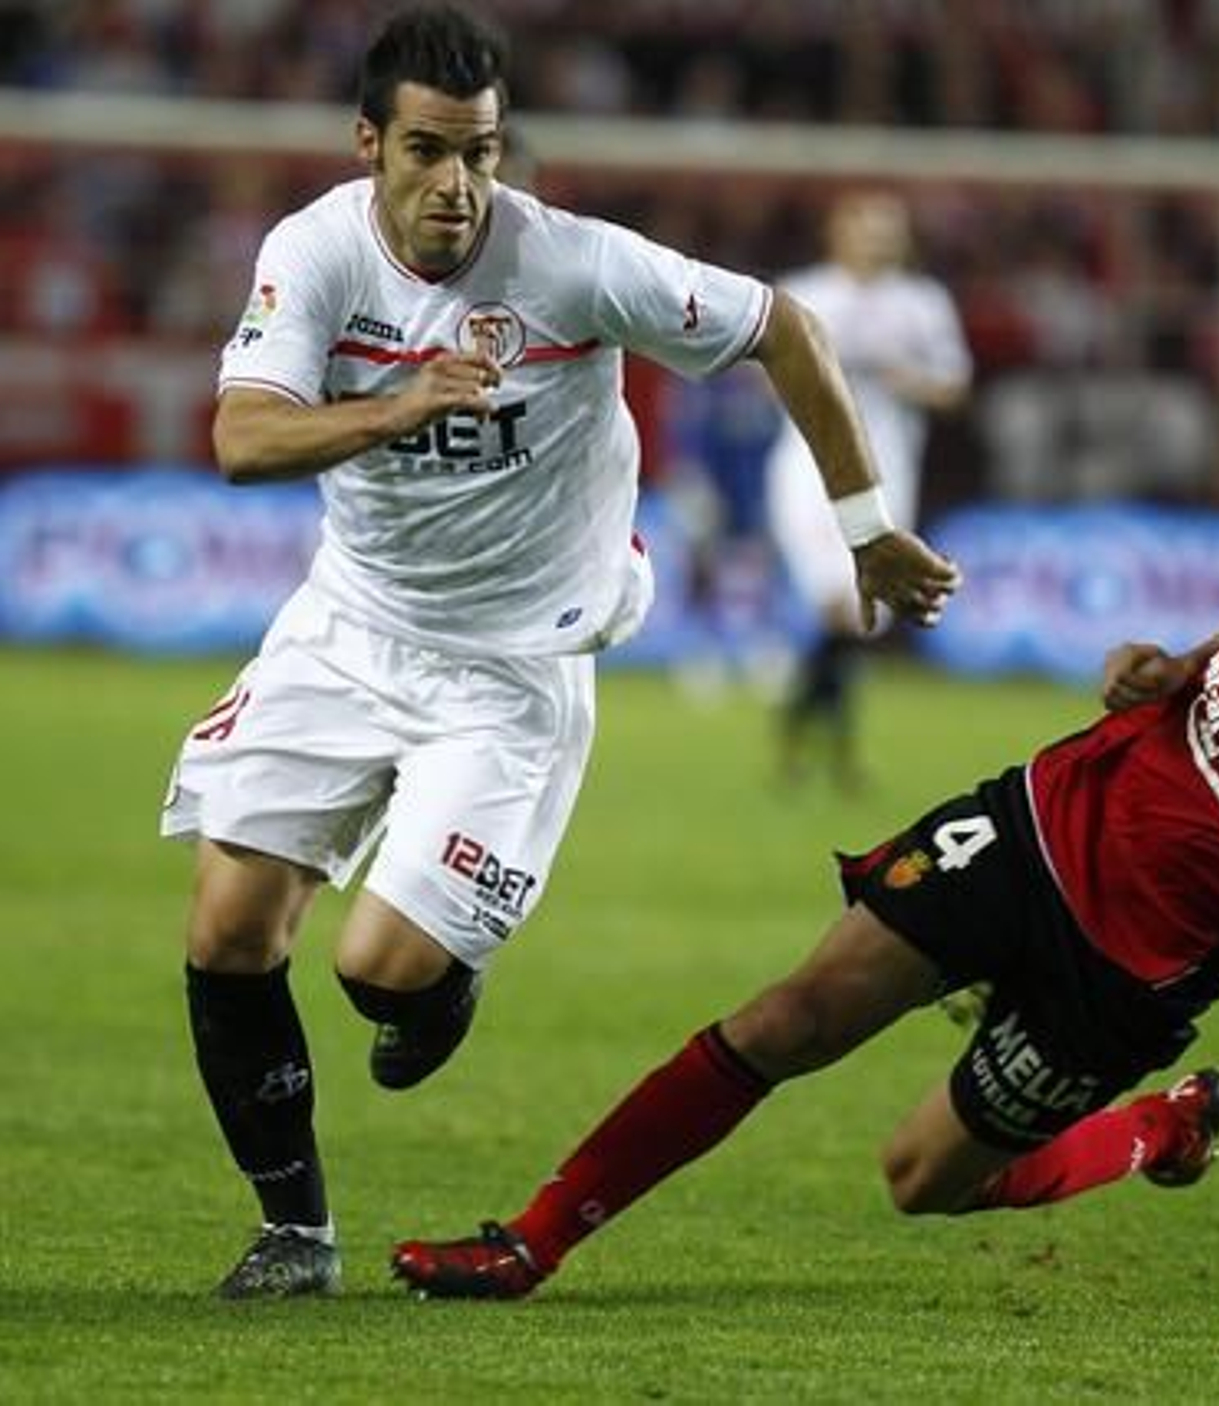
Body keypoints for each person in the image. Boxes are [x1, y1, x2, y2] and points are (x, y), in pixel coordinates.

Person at [159, 3, 960, 1301]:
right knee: (229, 927)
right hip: (352, 626)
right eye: (427, 150)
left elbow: (780, 328)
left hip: (515, 664)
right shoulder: (309, 256)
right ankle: (295, 1231)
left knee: (380, 972)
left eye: (480, 152)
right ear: (370, 144)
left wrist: (867, 528)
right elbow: (243, 440)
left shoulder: (573, 264)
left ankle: (438, 981)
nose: (458, 184)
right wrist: (399, 404)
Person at [392, 545, 1219, 1342]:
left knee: (920, 1180)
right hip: (1029, 828)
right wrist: (1175, 669)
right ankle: (531, 1241)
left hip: (1121, 972)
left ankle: (1151, 1128)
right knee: (787, 1017)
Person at [765, 190, 972, 789]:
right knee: (839, 605)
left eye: (890, 230)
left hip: (888, 470)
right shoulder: (805, 293)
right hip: (808, 468)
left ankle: (801, 735)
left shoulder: (923, 304)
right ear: (839, 232)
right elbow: (760, 378)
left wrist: (898, 377)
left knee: (862, 614)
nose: (879, 240)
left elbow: (954, 388)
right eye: (868, 228)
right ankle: (833, 754)